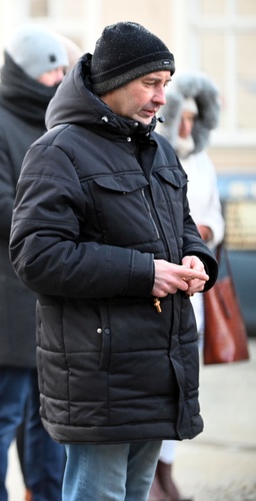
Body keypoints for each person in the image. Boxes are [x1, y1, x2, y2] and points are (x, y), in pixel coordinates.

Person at [9, 21, 219, 501]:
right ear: (111, 83)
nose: (162, 97)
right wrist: (145, 273)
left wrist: (197, 257)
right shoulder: (57, 153)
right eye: (150, 83)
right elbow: (36, 256)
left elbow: (183, 227)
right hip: (99, 373)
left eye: (165, 84)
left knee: (135, 493)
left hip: (160, 365)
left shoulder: (161, 149)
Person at [0, 24, 68, 501]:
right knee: (3, 412)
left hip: (53, 293)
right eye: (54, 72)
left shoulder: (55, 124)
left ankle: (44, 494)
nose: (62, 80)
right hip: (11, 293)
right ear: (29, 74)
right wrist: (61, 224)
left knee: (50, 414)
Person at [149, 71, 225, 501]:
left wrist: (203, 235)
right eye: (183, 116)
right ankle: (155, 480)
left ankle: (167, 470)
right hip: (161, 290)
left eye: (195, 118)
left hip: (193, 289)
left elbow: (212, 214)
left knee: (184, 387)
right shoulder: (158, 155)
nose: (187, 126)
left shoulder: (202, 161)